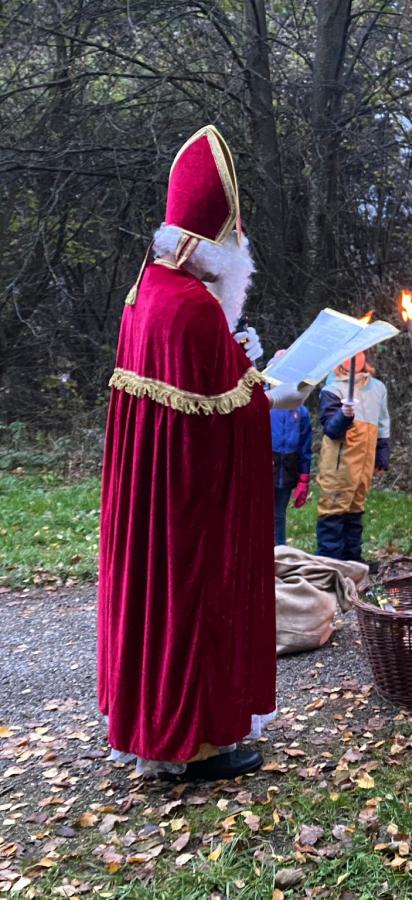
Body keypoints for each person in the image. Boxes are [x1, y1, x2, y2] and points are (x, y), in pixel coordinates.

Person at [99, 125, 312, 780]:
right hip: (187, 509)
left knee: (154, 603)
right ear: (211, 246)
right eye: (233, 243)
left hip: (152, 499)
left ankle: (158, 732)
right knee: (187, 601)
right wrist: (280, 397)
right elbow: (225, 418)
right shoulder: (190, 306)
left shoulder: (148, 290)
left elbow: (205, 393)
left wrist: (243, 373)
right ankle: (190, 744)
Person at [315, 353, 391, 561]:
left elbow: (383, 421)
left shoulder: (377, 388)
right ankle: (329, 561)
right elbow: (331, 429)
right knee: (333, 511)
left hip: (363, 464)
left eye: (359, 353)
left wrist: (382, 450)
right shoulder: (333, 390)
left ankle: (352, 560)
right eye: (349, 355)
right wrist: (344, 415)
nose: (355, 357)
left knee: (355, 510)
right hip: (339, 464)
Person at [271, 404, 313, 545]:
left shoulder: (301, 412)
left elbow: (305, 447)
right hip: (266, 465)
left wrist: (304, 478)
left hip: (288, 469)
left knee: (279, 514)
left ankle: (280, 552)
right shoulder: (265, 405)